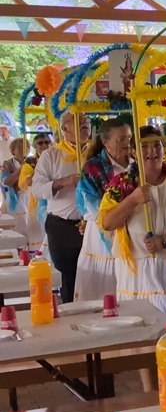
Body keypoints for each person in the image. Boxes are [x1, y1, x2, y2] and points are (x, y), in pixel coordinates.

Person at [99, 125, 166, 342]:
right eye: (144, 146)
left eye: (157, 145)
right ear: (133, 151)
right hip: (138, 271)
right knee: (144, 336)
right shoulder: (122, 183)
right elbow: (107, 223)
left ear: (165, 149)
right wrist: (132, 200)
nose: (152, 151)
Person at [32, 112, 90, 302]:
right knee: (69, 277)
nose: (84, 123)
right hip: (62, 226)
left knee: (95, 274)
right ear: (64, 129)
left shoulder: (96, 153)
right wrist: (61, 182)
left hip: (92, 226)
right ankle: (73, 319)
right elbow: (37, 190)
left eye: (86, 120)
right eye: (77, 121)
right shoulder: (51, 155)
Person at [76, 119, 133, 302]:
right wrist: (122, 211)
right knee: (102, 292)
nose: (127, 143)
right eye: (121, 139)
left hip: (133, 230)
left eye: (130, 137)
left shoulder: (137, 163)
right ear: (106, 142)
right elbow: (93, 208)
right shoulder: (93, 168)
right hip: (103, 233)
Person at [19, 132, 52, 256]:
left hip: (54, 201)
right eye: (40, 143)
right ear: (35, 146)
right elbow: (26, 181)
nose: (44, 145)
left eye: (47, 142)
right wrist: (41, 168)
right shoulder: (30, 162)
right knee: (38, 236)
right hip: (36, 204)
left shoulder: (55, 156)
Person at [1, 138, 28, 240]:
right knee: (15, 231)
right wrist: (21, 169)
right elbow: (6, 182)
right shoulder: (7, 165)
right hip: (14, 201)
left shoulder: (33, 162)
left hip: (29, 199)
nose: (24, 150)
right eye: (20, 149)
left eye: (26, 147)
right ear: (13, 152)